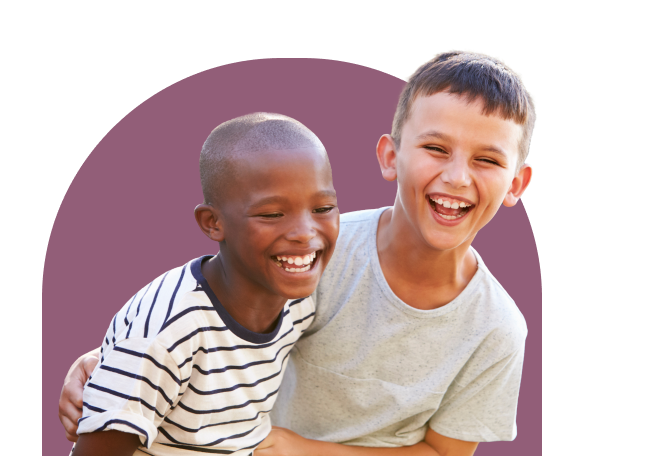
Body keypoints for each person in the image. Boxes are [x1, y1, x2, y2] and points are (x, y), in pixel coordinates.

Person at [59, 50, 536, 456]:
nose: (456, 177)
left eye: (487, 159)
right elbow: (205, 315)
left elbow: (442, 453)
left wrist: (298, 448)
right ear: (391, 157)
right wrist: (111, 362)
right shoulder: (315, 249)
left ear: (516, 183)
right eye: (436, 147)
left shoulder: (496, 329)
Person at [65, 113, 340, 455]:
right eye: (272, 214)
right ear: (213, 223)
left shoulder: (299, 297)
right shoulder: (166, 336)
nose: (304, 232)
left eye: (323, 207)